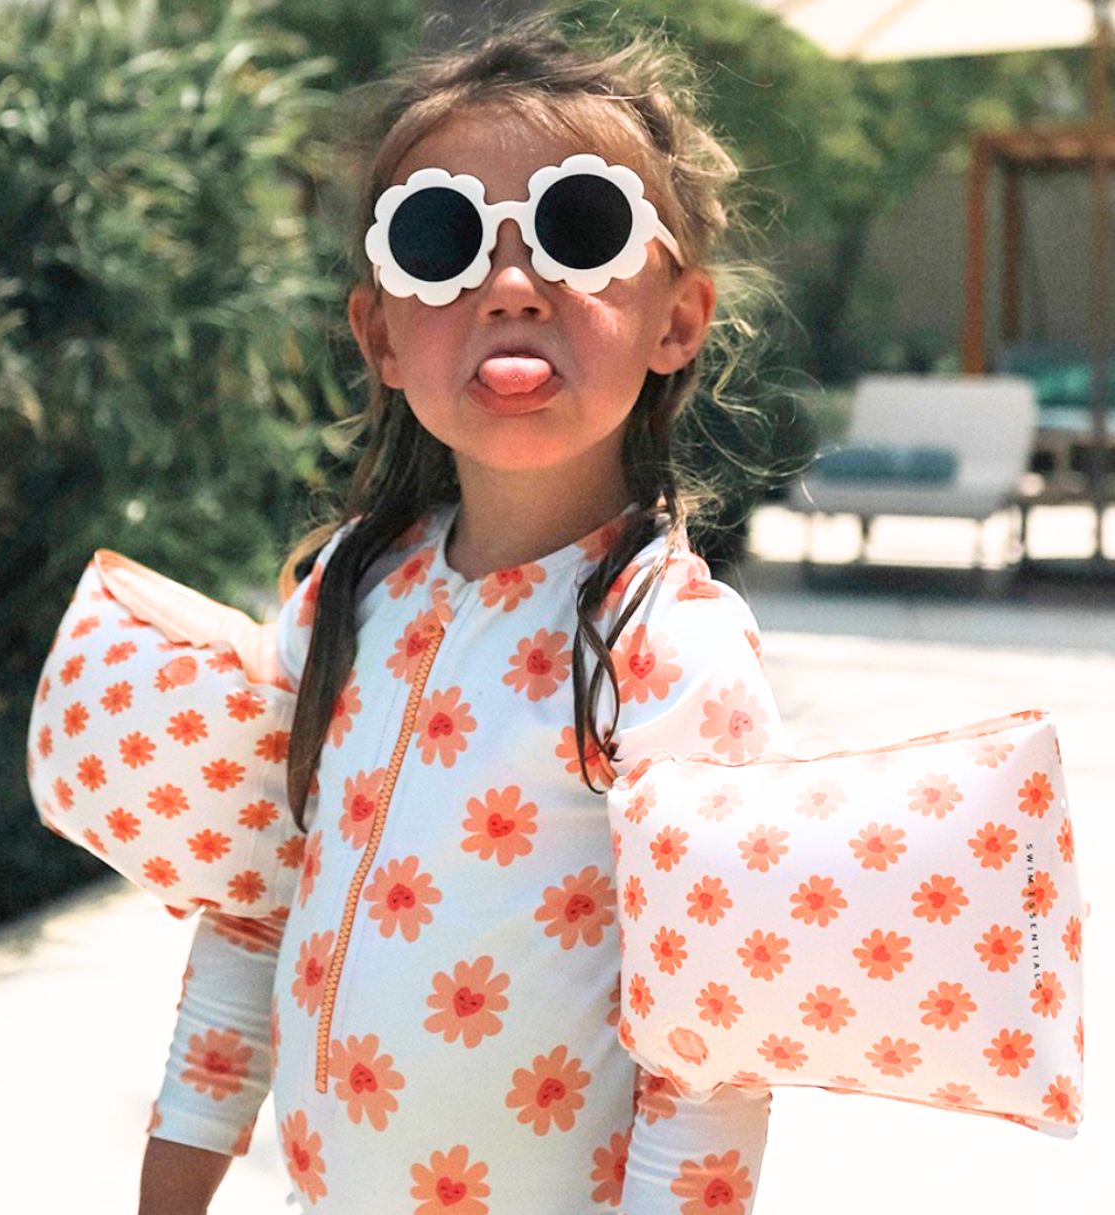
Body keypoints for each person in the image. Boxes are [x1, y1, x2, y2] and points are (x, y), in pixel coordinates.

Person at [138, 12, 801, 1214]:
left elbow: (710, 1061)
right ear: (380, 333)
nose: (511, 286)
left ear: (678, 320)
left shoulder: (670, 652)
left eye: (581, 228)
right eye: (439, 239)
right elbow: (250, 918)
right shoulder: (343, 599)